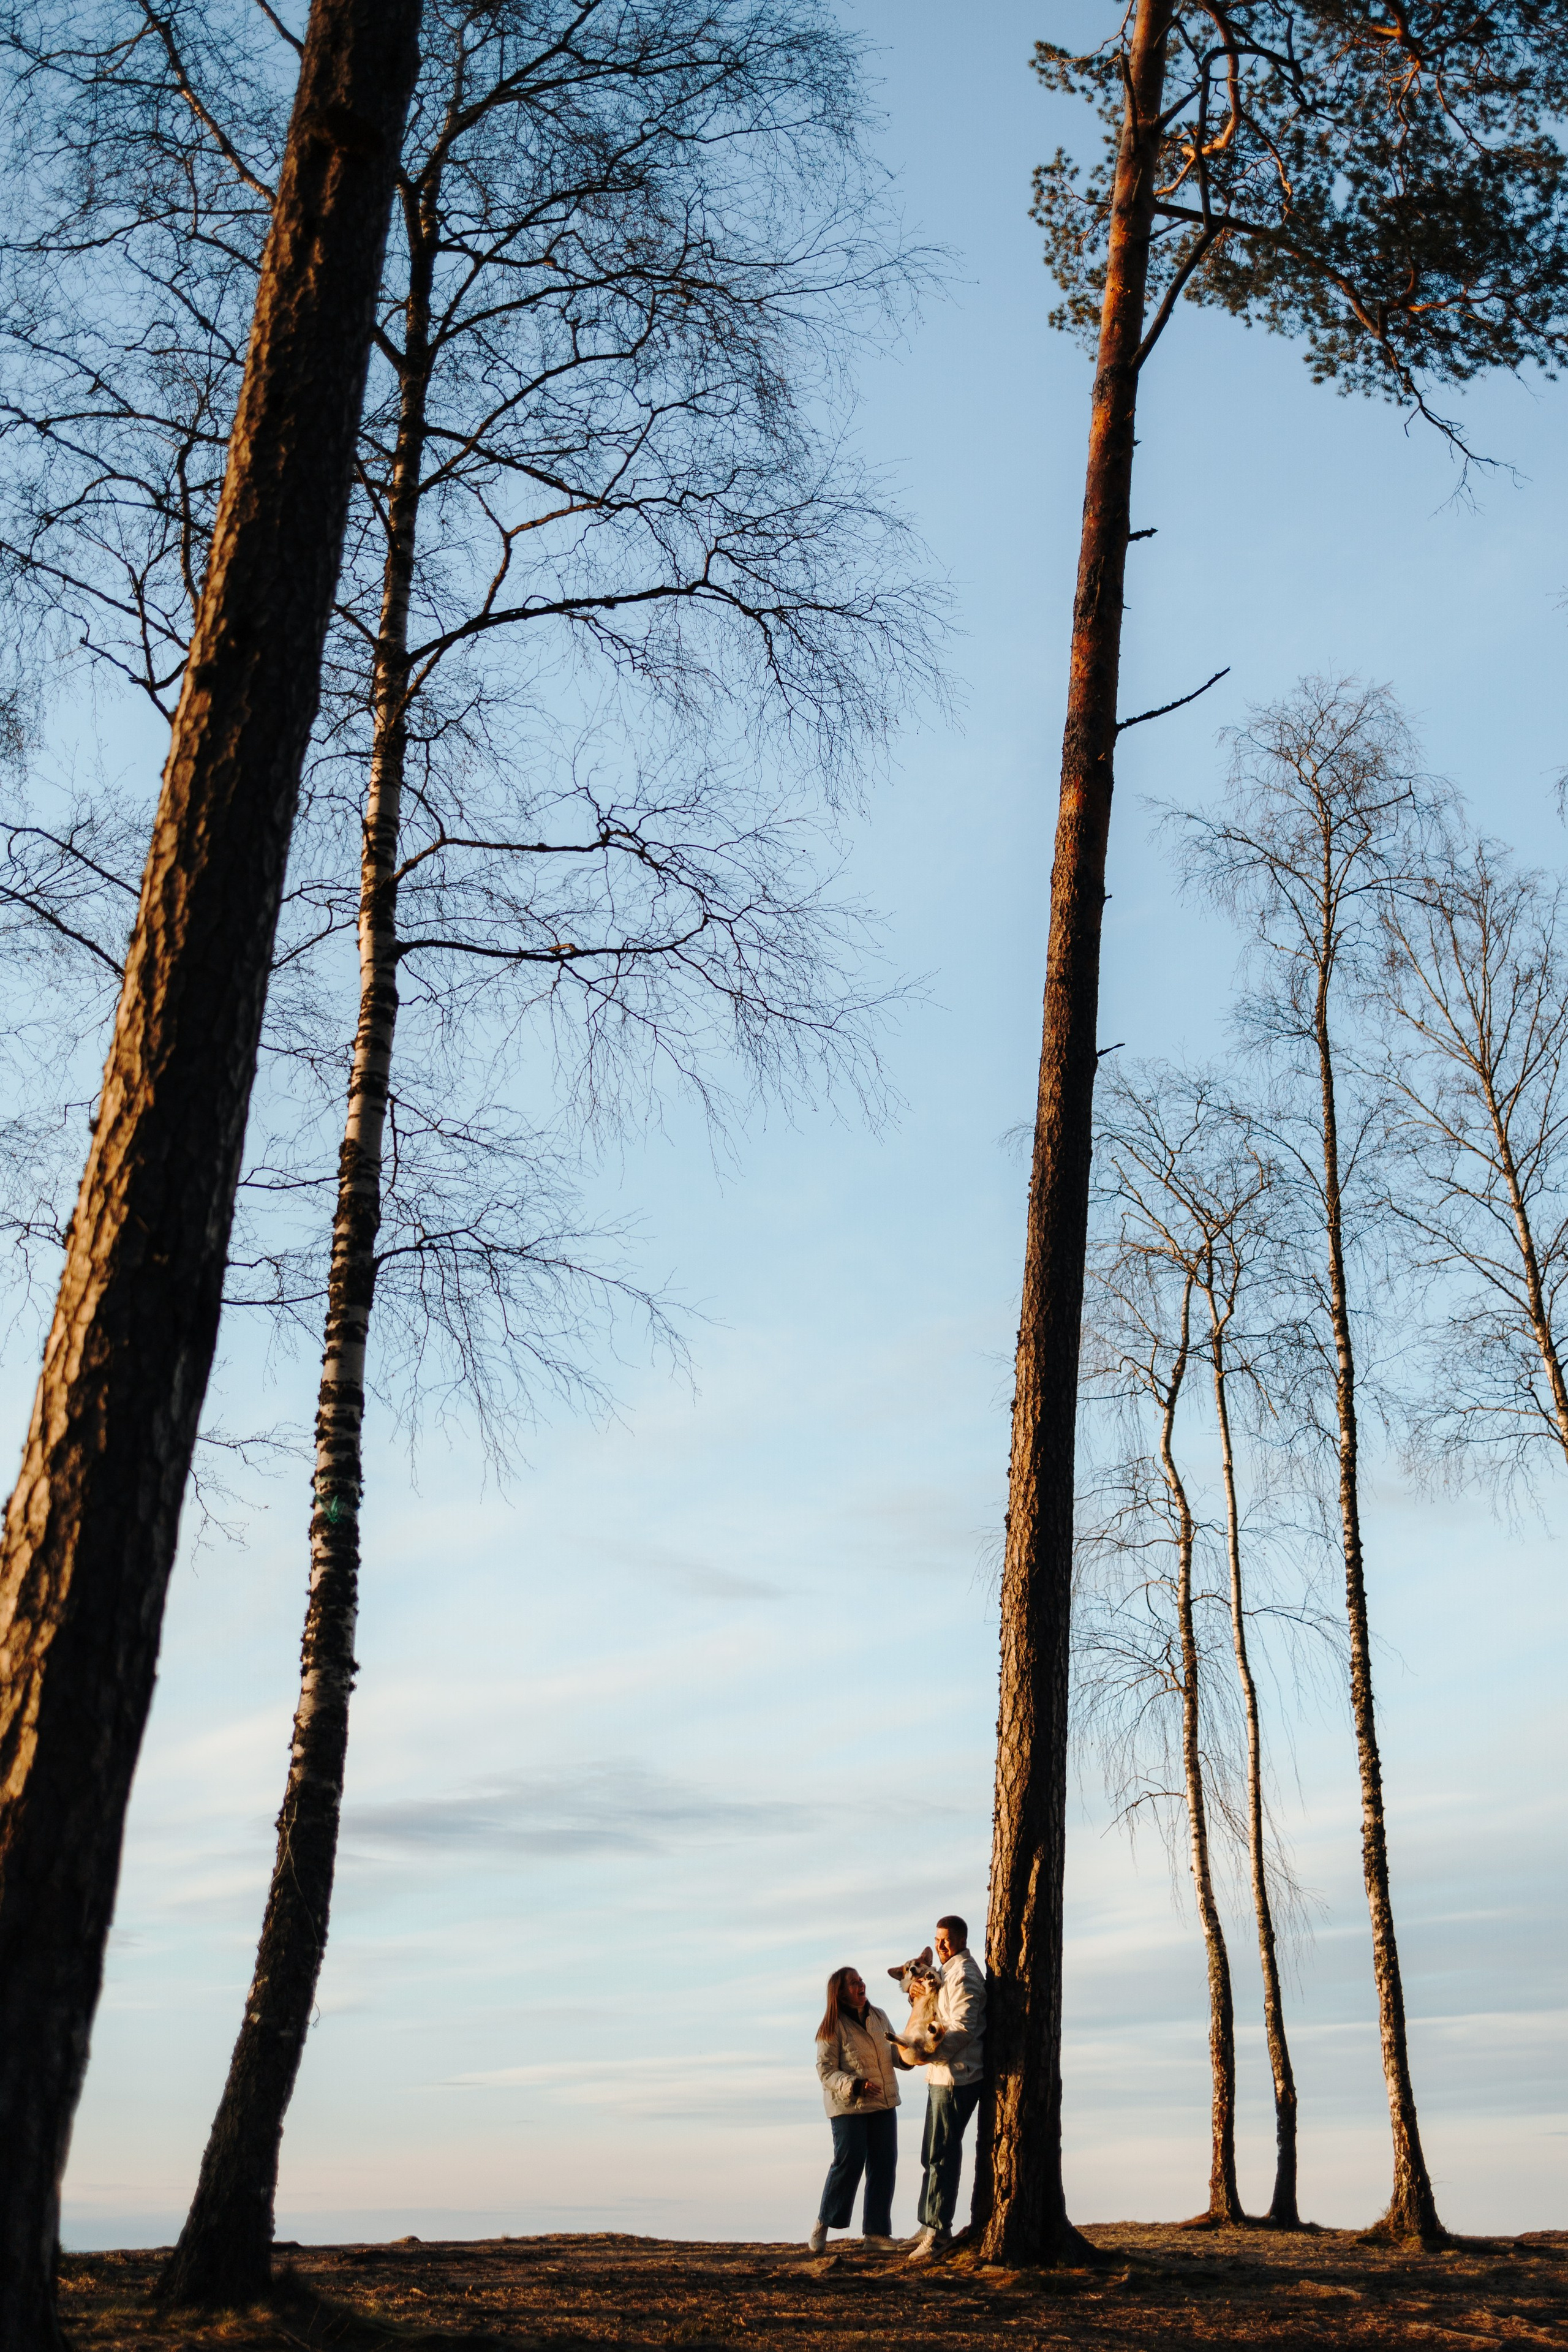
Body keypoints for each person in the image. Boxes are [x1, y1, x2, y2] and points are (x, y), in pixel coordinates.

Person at [809, 1965, 900, 2253]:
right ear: (840, 1992)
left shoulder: (880, 2016)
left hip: (883, 2102)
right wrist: (855, 2086)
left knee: (884, 2165)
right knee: (849, 2163)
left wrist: (915, 2055)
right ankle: (823, 2223)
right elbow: (825, 2071)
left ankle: (876, 2235)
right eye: (854, 1983)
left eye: (861, 1980)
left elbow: (896, 2052)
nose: (861, 1985)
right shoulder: (831, 2026)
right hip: (848, 2106)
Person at [909, 1913, 985, 2260]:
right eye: (937, 1939)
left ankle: (939, 2233)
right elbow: (935, 2012)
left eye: (947, 1940)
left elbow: (964, 2026)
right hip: (941, 2075)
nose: (941, 1945)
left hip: (957, 2076)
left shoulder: (965, 1974)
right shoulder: (947, 1973)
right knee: (931, 2152)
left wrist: (929, 2053)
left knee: (942, 2154)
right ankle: (929, 2224)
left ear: (960, 1940)